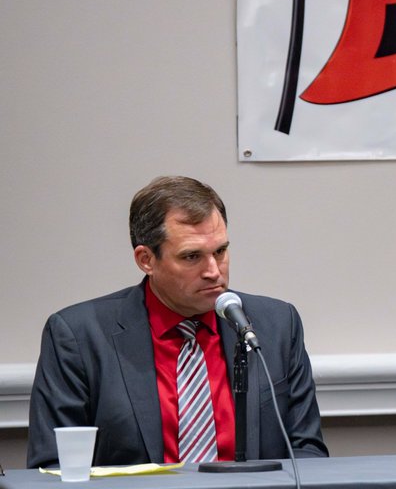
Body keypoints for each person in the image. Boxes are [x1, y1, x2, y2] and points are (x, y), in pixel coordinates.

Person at [27, 176, 328, 468]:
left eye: (220, 251)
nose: (214, 271)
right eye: (191, 256)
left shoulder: (275, 325)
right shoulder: (79, 336)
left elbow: (307, 454)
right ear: (146, 259)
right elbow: (53, 466)